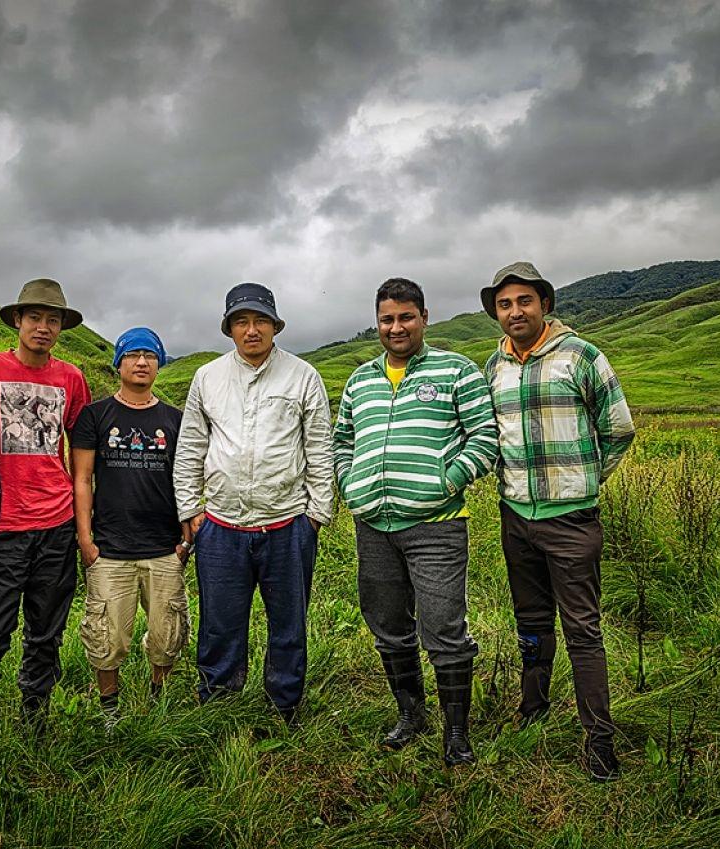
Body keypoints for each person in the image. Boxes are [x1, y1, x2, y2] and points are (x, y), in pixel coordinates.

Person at [333, 277, 499, 765]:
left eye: (406, 317)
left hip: (435, 524)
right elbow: (342, 439)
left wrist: (446, 481)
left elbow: (484, 437)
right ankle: (411, 714)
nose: (396, 327)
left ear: (424, 317)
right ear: (377, 323)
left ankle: (456, 732)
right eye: (387, 319)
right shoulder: (361, 379)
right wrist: (350, 483)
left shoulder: (456, 370)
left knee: (444, 625)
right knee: (387, 622)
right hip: (374, 526)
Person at [481, 261, 636, 781]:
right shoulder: (494, 367)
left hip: (571, 519)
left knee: (583, 630)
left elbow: (617, 428)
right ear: (496, 313)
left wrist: (584, 481)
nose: (514, 311)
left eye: (524, 301)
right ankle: (533, 710)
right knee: (530, 622)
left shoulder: (582, 356)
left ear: (544, 303)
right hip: (515, 516)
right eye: (505, 304)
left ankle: (599, 739)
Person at [173, 283, 334, 723]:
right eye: (241, 321)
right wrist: (190, 509)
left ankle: (284, 704)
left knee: (288, 624)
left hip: (287, 524)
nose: (251, 330)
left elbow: (319, 448)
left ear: (275, 325)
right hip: (221, 527)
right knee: (220, 624)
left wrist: (316, 515)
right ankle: (219, 703)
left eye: (260, 320)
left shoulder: (303, 376)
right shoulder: (208, 377)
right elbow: (191, 446)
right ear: (229, 329)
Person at [0, 278, 92, 721]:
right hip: (1, 524)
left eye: (53, 320)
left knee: (46, 629)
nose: (43, 327)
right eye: (35, 317)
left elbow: (81, 447)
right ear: (18, 320)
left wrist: (84, 516)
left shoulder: (70, 377)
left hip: (56, 523)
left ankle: (36, 711)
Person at [70, 327, 191, 726]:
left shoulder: (175, 420)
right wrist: (85, 538)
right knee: (107, 635)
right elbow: (82, 479)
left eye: (151, 356)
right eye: (133, 354)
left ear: (159, 363)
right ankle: (110, 708)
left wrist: (185, 537)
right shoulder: (96, 415)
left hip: (164, 547)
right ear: (118, 362)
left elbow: (187, 479)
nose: (142, 363)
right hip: (110, 548)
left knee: (166, 634)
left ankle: (158, 697)